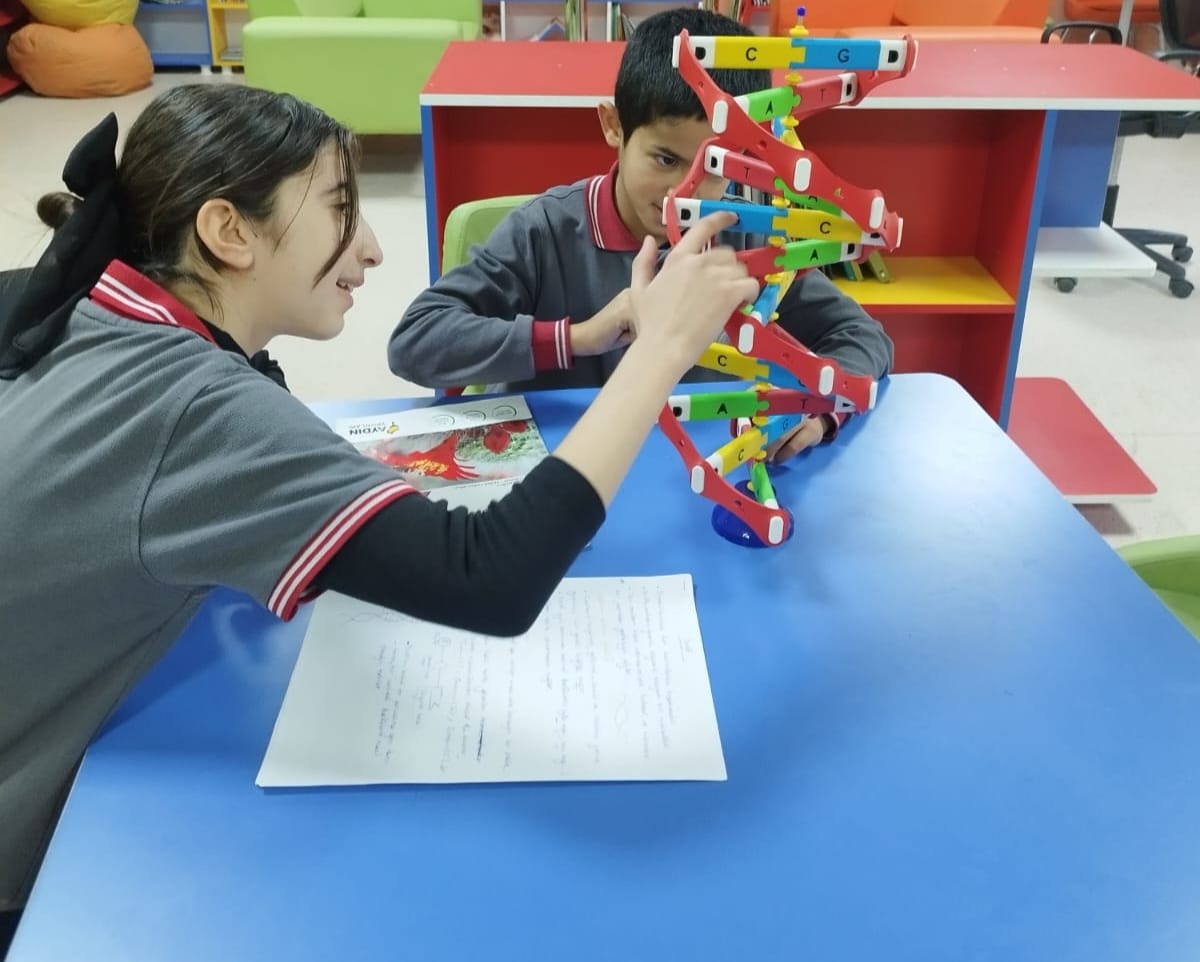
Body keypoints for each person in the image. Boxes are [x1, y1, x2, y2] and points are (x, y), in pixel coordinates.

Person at [0, 83, 757, 934]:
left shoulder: (91, 308)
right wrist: (661, 349)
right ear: (228, 232)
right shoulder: (193, 407)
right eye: (339, 208)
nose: (370, 247)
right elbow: (488, 576)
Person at [388, 7, 895, 464]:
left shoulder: (749, 236)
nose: (685, 192)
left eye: (716, 167)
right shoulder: (543, 233)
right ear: (614, 126)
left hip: (685, 472)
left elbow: (862, 337)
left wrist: (821, 411)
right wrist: (578, 337)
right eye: (666, 159)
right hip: (559, 477)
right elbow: (416, 341)